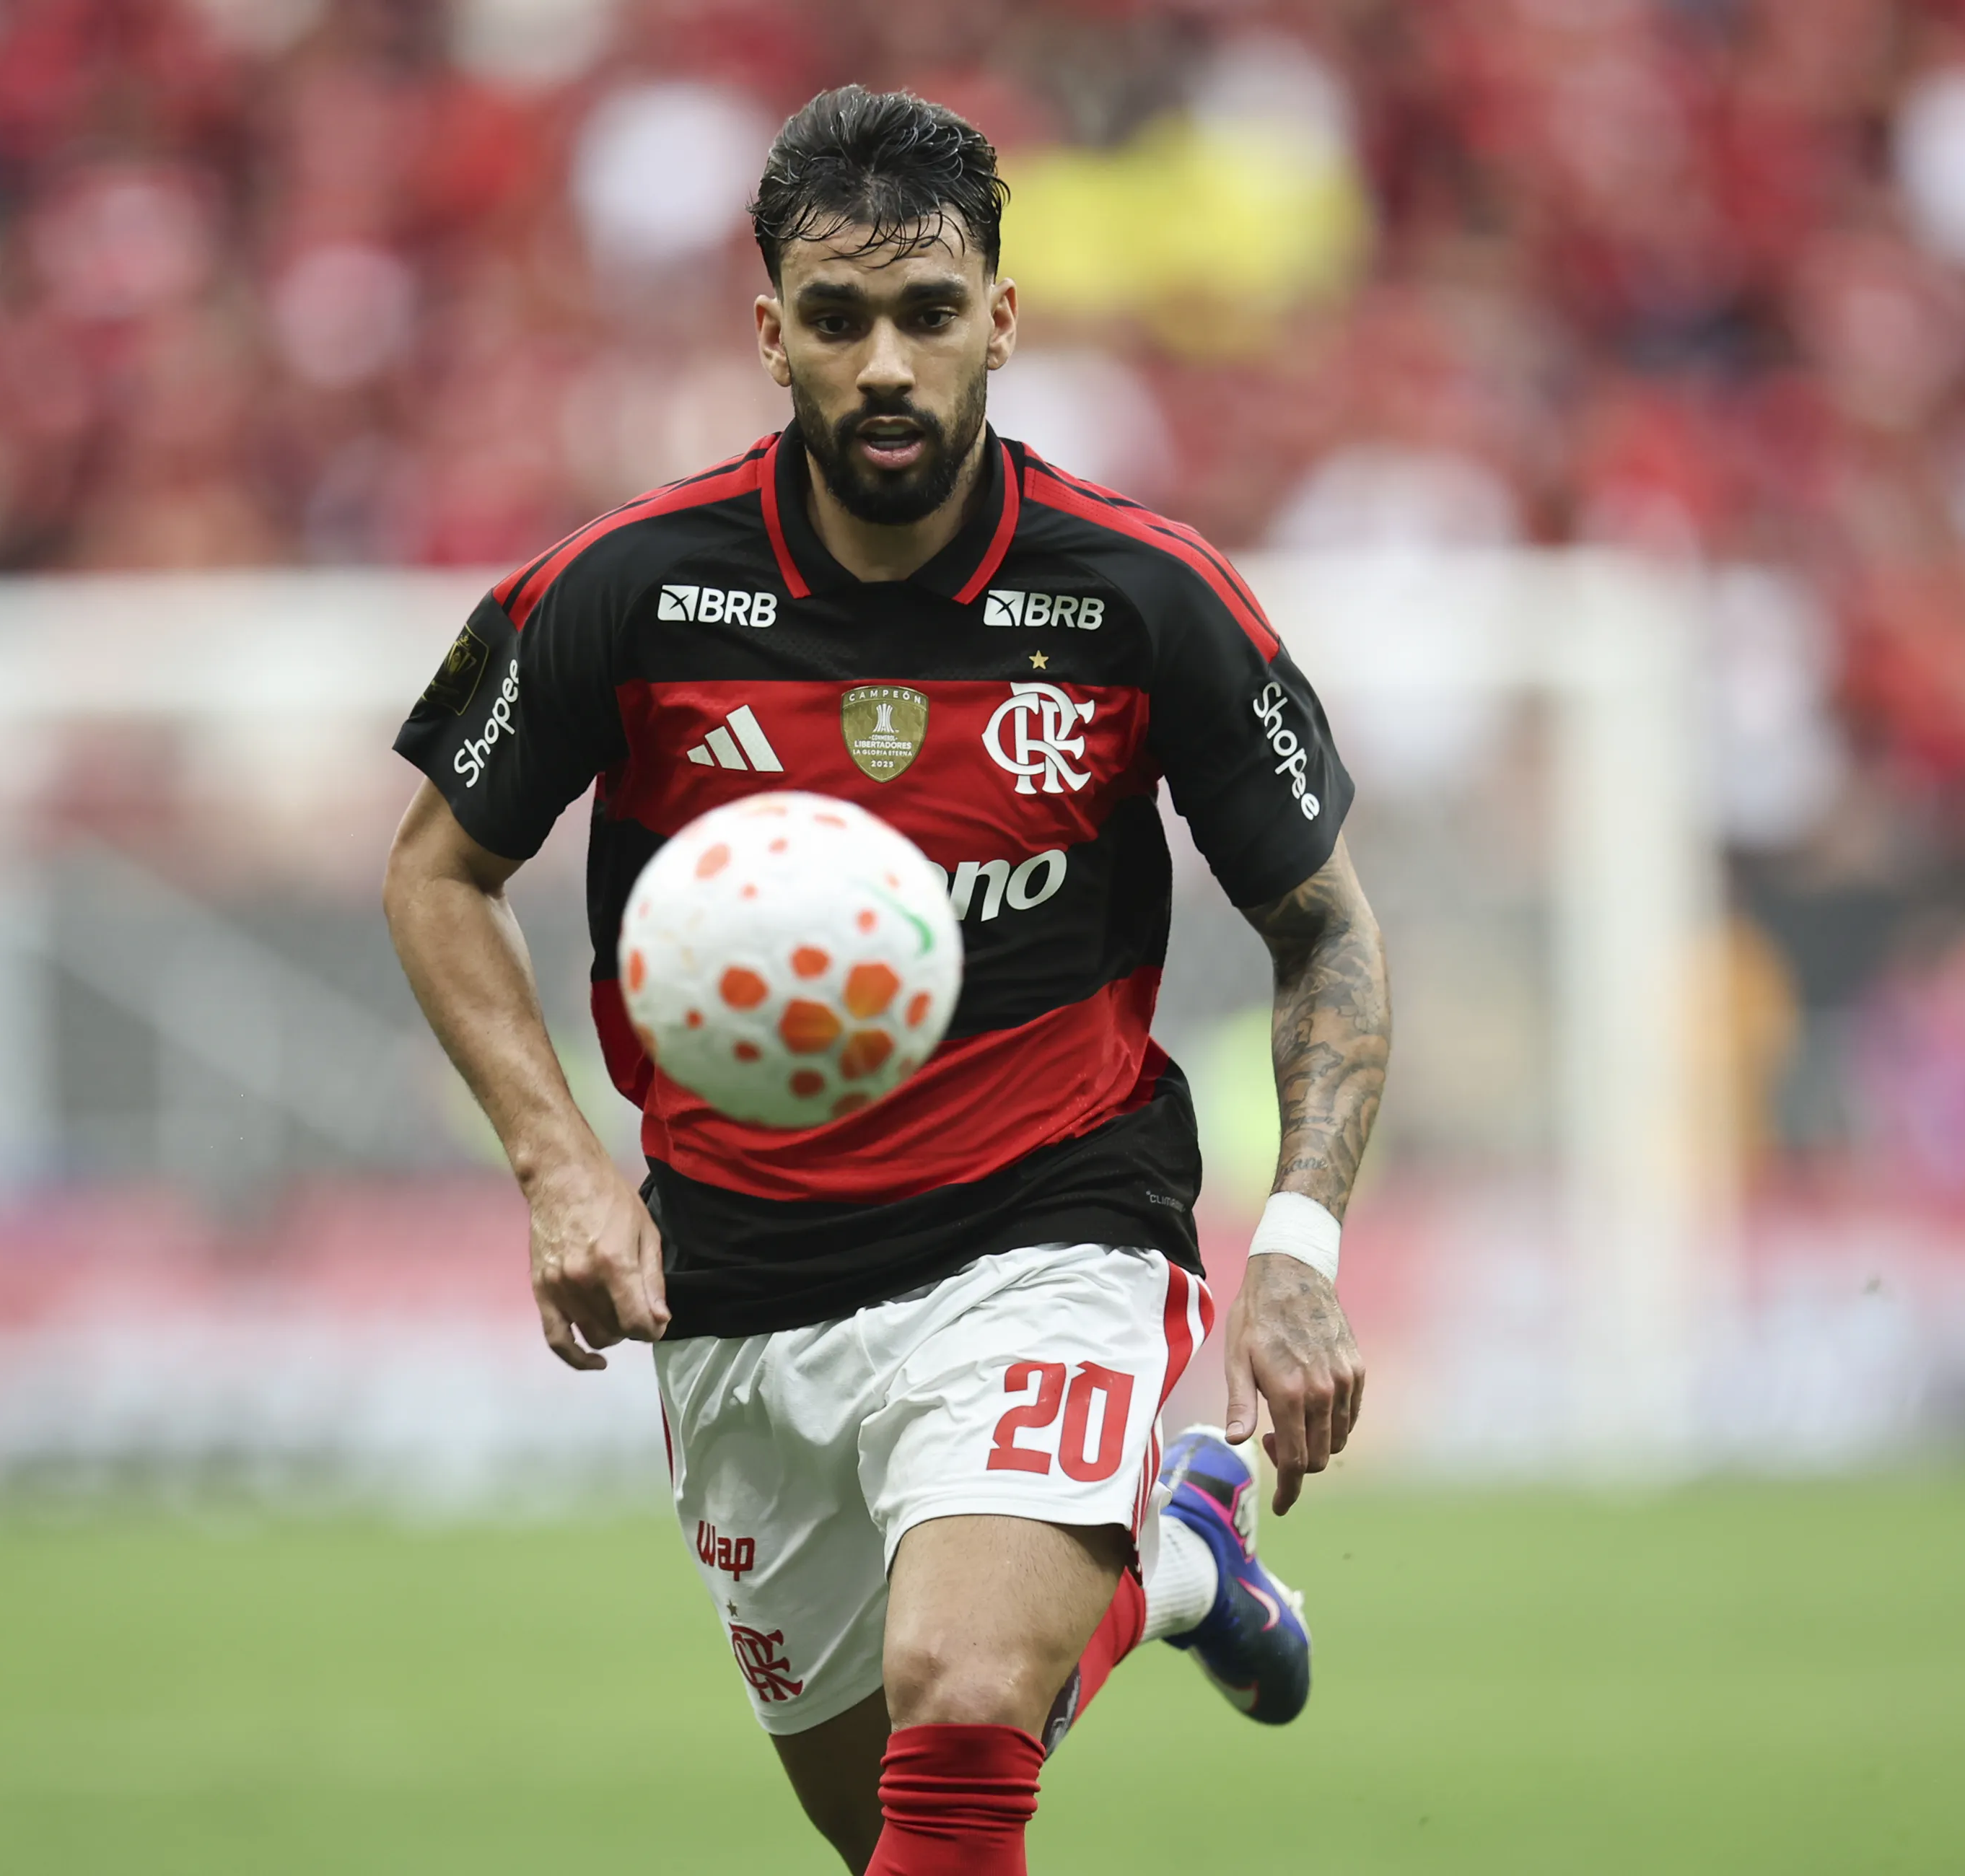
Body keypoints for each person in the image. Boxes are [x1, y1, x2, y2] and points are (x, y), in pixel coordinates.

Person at [382, 85, 1388, 1876]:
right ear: (772, 333)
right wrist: (559, 1167)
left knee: (965, 1690)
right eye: (839, 320)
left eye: (929, 313)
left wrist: (1297, 1247)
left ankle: (1133, 1548)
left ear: (1002, 316)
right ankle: (1179, 1561)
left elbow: (1326, 927)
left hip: (1052, 1227)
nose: (888, 366)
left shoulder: (1143, 598)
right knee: (897, 1826)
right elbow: (437, 872)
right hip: (739, 1283)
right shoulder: (627, 592)